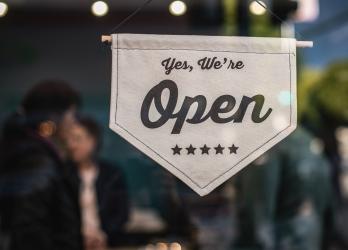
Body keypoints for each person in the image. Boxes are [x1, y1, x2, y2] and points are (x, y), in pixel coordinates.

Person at [0, 80, 83, 250]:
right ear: (54, 118)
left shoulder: (27, 152)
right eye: (72, 115)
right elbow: (28, 229)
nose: (74, 125)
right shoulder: (35, 162)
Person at [66, 115, 129, 250]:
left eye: (77, 139)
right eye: (69, 140)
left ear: (92, 141)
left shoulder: (112, 174)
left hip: (106, 244)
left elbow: (122, 213)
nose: (71, 145)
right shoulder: (63, 174)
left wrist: (103, 235)